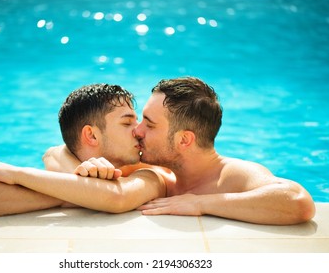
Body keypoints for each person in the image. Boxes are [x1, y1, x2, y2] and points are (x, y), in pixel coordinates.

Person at [0, 83, 166, 216]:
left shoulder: (154, 171)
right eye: (127, 123)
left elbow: (116, 198)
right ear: (91, 135)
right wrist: (84, 192)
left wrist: (14, 174)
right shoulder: (60, 162)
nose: (138, 131)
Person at [130, 77, 315, 225]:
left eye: (150, 125)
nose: (137, 131)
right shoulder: (162, 174)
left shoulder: (230, 175)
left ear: (184, 140)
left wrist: (199, 203)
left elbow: (298, 202)